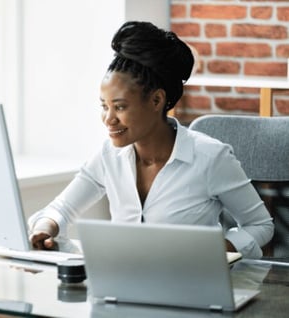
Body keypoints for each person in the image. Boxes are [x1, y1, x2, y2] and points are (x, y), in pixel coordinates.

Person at [28, 21, 274, 259]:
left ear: (156, 101)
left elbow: (260, 224)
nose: (108, 119)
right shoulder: (108, 156)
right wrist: (46, 227)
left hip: (190, 290)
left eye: (120, 107)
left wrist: (219, 249)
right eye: (104, 106)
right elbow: (60, 209)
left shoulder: (210, 157)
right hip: (122, 286)